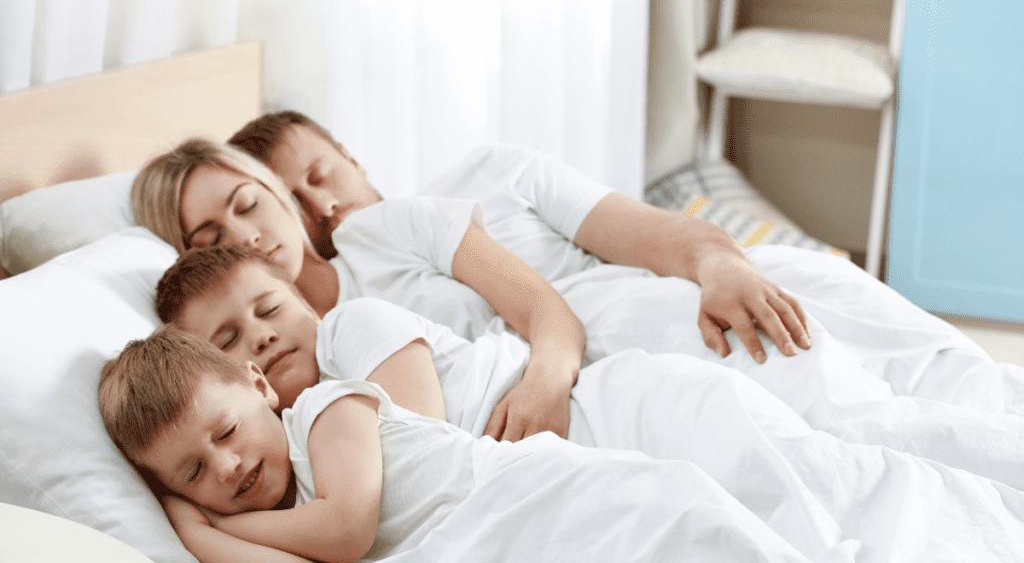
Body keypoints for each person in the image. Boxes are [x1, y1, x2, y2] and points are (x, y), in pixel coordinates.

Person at [153, 244, 1024, 562]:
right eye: (229, 340)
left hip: (623, 408)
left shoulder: (354, 334)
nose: (260, 337)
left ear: (304, 298)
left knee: (835, 482)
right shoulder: (299, 449)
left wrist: (221, 527)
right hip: (586, 452)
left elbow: (422, 451)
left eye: (268, 310)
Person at [227, 111, 1024, 420]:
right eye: (291, 201)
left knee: (959, 380)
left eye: (321, 175)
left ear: (352, 156)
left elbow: (651, 234)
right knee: (860, 421)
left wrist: (719, 264)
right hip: (629, 369)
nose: (321, 206)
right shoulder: (342, 324)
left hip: (688, 295)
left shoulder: (491, 174)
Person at [98, 326, 824, 563]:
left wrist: (208, 528)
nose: (227, 466)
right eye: (193, 473)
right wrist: (200, 537)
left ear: (260, 386)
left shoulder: (325, 411)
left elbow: (348, 530)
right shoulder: (285, 525)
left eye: (226, 432)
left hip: (532, 499)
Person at [132, 138, 588, 440]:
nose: (246, 236)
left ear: (276, 193)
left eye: (248, 205)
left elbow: (543, 305)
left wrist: (544, 386)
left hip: (566, 395)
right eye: (212, 240)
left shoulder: (386, 229)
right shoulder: (272, 377)